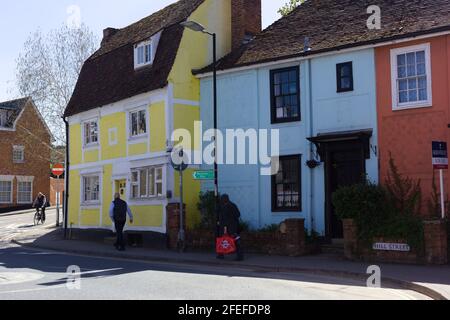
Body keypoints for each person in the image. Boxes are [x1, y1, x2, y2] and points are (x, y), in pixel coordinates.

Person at [217, 194, 244, 261]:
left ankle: (240, 256)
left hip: (232, 227)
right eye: (221, 199)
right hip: (225, 227)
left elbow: (237, 214)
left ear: (226, 199)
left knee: (235, 241)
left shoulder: (231, 206)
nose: (221, 200)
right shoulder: (223, 206)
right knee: (222, 240)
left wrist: (230, 220)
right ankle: (221, 254)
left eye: (222, 199)